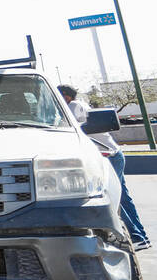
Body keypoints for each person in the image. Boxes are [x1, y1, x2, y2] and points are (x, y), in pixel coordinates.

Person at [58, 84, 150, 250]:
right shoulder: (79, 106)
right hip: (114, 155)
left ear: (66, 96)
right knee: (124, 199)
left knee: (115, 198)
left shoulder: (74, 106)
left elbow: (71, 131)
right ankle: (140, 236)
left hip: (108, 157)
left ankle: (135, 236)